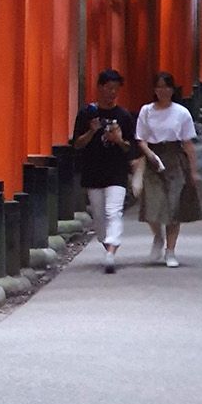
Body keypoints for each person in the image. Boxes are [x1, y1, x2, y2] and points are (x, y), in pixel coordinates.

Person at [71, 69, 138, 273]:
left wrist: (117, 140)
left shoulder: (123, 116)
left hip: (116, 171)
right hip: (93, 171)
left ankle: (111, 253)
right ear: (100, 88)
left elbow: (130, 147)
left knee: (113, 212)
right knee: (99, 217)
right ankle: (107, 245)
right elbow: (77, 144)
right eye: (109, 88)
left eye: (115, 89)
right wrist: (92, 131)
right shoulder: (86, 114)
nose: (112, 93)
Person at [135, 71, 202, 268]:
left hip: (175, 158)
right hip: (153, 156)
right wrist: (150, 156)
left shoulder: (181, 113)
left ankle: (171, 250)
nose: (162, 91)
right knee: (152, 204)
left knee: (174, 206)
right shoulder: (146, 111)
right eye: (159, 87)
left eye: (166, 87)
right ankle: (158, 236)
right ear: (154, 90)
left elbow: (188, 144)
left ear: (172, 90)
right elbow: (141, 139)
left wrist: (193, 170)